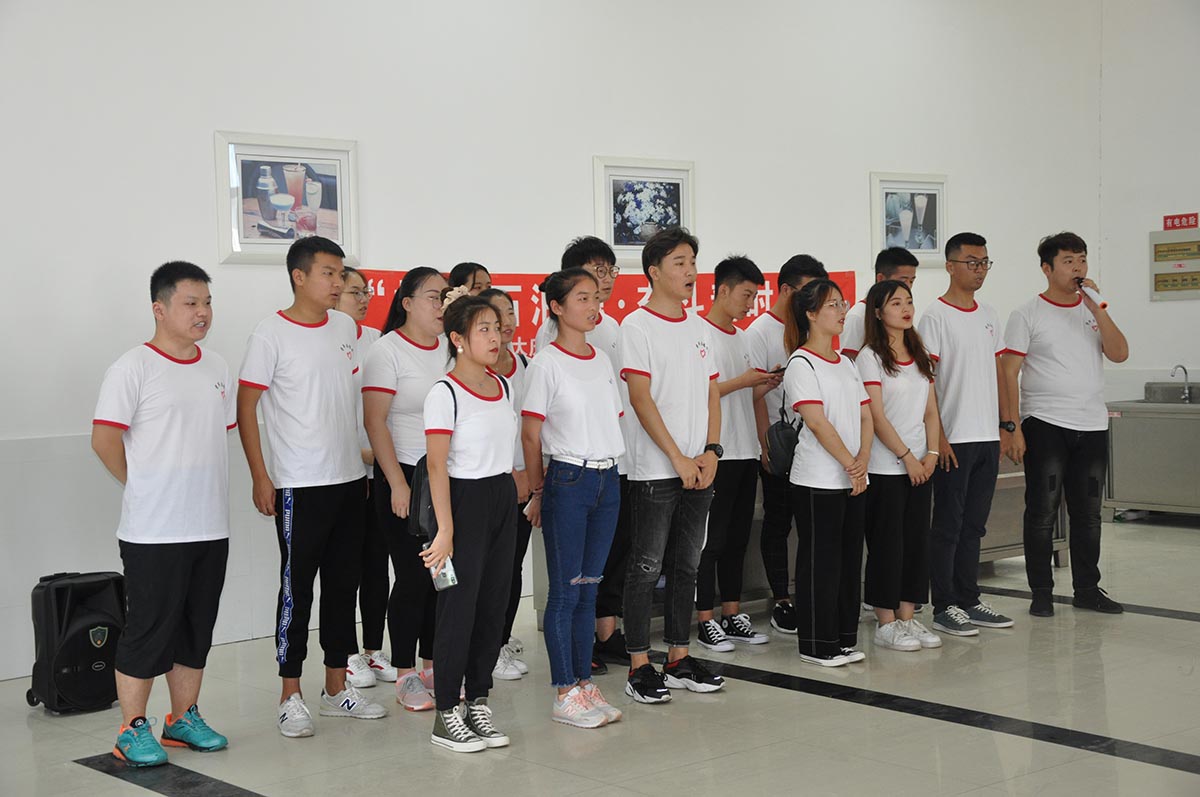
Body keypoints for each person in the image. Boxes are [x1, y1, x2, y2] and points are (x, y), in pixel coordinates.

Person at [237, 236, 386, 738]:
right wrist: (261, 475)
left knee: (343, 587)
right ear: (299, 276)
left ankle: (336, 688)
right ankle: (290, 694)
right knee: (297, 590)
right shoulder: (270, 334)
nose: (338, 283)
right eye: (329, 273)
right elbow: (246, 406)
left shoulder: (345, 328)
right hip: (299, 484)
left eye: (341, 274)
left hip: (349, 481)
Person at [92, 262, 235, 766]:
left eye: (207, 303)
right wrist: (143, 484)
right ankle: (132, 728)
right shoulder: (132, 367)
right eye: (191, 303)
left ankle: (182, 719)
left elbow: (216, 436)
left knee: (196, 628)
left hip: (210, 525)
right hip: (154, 531)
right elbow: (104, 440)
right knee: (149, 630)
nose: (203, 313)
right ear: (159, 308)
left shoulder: (217, 367)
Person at [620, 227, 725, 703]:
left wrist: (712, 450)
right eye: (680, 263)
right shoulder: (636, 326)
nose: (690, 271)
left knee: (688, 564)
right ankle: (640, 665)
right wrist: (677, 457)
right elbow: (641, 399)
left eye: (693, 262)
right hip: (656, 470)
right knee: (645, 567)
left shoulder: (699, 327)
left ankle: (679, 657)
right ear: (654, 272)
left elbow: (712, 392)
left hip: (699, 466)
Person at [1001, 232, 1128, 617]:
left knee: (1088, 513)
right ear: (1047, 268)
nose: (1078, 268)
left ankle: (1087, 589)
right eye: (1069, 261)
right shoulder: (1027, 313)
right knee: (1042, 509)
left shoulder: (1093, 309)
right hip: (1045, 423)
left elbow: (1120, 353)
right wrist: (1011, 426)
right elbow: (1008, 373)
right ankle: (1041, 591)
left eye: (1082, 260)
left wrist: (1098, 308)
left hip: (1091, 423)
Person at [521, 268, 625, 728]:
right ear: (557, 307)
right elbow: (530, 433)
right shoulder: (546, 363)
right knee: (565, 593)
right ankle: (564, 690)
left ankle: (584, 683)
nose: (593, 305)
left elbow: (611, 419)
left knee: (589, 589)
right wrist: (538, 490)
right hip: (568, 478)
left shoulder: (601, 359)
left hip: (608, 478)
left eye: (595, 297)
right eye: (582, 298)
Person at [421, 291, 519, 753]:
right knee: (457, 609)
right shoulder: (444, 393)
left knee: (493, 605)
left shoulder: (504, 387)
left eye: (497, 328)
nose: (495, 337)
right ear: (458, 339)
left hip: (501, 497)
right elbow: (436, 465)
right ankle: (446, 712)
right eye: (484, 329)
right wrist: (445, 530)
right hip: (463, 501)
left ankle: (478, 700)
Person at [917, 232, 1014, 637]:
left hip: (986, 436)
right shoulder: (934, 316)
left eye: (985, 262)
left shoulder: (989, 314)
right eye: (972, 262)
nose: (979, 270)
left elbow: (999, 372)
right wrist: (937, 437)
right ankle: (945, 605)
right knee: (948, 525)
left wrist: (1007, 425)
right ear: (950, 266)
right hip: (953, 438)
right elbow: (927, 381)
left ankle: (969, 599)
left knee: (975, 524)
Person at [362, 267, 449, 711]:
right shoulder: (387, 350)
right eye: (434, 296)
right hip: (406, 477)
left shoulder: (452, 347)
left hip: (445, 478)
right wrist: (396, 482)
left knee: (443, 577)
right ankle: (404, 672)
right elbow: (375, 421)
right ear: (407, 303)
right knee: (413, 578)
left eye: (446, 296)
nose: (441, 304)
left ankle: (433, 665)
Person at [781, 279, 874, 667]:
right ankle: (817, 644)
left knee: (850, 560)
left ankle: (843, 638)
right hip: (817, 479)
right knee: (821, 562)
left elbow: (865, 415)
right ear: (811, 314)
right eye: (832, 305)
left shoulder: (847, 363)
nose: (841, 311)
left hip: (853, 477)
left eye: (842, 303)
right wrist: (851, 464)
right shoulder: (801, 363)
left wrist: (862, 459)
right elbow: (817, 422)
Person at [695, 256, 779, 652]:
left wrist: (763, 383)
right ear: (723, 290)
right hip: (717, 452)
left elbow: (744, 393)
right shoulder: (699, 334)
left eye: (754, 296)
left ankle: (732, 613)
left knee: (737, 540)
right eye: (746, 295)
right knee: (710, 541)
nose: (750, 304)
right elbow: (700, 392)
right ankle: (705, 619)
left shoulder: (742, 337)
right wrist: (743, 381)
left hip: (745, 449)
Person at [743, 254, 828, 634]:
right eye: (807, 291)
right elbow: (755, 392)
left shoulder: (809, 327)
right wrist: (765, 443)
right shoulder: (760, 332)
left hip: (813, 442)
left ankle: (810, 594)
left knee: (810, 524)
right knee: (777, 521)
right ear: (786, 289)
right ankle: (781, 599)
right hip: (779, 444)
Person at [856, 280, 943, 652]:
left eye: (909, 301)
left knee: (916, 543)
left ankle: (907, 617)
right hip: (885, 467)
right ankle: (886, 622)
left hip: (921, 466)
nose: (906, 309)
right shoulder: (870, 357)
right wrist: (907, 457)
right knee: (886, 545)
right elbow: (876, 417)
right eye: (896, 303)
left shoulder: (920, 353)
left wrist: (931, 454)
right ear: (878, 312)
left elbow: (930, 411)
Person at [338, 267, 397, 690]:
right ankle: (345, 654)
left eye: (365, 292)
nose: (363, 300)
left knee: (377, 566)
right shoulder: (326, 342)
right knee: (346, 570)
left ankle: (374, 650)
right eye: (353, 292)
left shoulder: (377, 341)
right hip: (342, 474)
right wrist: (359, 453)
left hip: (379, 473)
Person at [479, 287, 533, 680]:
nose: (506, 323)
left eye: (510, 313)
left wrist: (532, 477)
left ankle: (498, 641)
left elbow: (533, 426)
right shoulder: (473, 373)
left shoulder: (526, 365)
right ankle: (482, 646)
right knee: (482, 571)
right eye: (497, 316)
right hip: (488, 483)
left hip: (523, 483)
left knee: (511, 568)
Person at [840, 247, 920, 361]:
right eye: (903, 281)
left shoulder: (904, 315)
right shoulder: (857, 316)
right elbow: (849, 360)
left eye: (911, 281)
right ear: (881, 278)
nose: (908, 286)